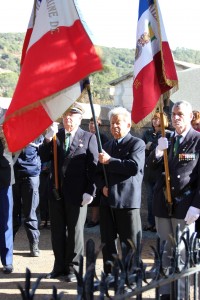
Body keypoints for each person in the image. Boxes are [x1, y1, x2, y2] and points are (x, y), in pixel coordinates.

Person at [39, 102, 98, 282]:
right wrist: (47, 140)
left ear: (80, 118)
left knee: (75, 231)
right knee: (57, 231)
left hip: (78, 194)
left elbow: (93, 167)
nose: (68, 119)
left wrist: (91, 190)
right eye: (65, 116)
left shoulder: (88, 137)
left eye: (72, 116)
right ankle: (59, 266)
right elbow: (42, 157)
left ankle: (74, 268)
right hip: (56, 192)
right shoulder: (57, 136)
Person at [149, 100, 200, 300]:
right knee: (164, 250)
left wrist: (197, 205)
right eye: (173, 114)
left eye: (180, 114)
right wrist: (158, 152)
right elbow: (150, 170)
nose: (176, 117)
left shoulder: (197, 140)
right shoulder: (165, 138)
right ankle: (164, 293)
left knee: (181, 252)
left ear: (189, 117)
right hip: (163, 203)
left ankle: (180, 294)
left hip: (185, 204)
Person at [95, 106, 145, 275]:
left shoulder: (137, 144)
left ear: (128, 125)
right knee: (108, 242)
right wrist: (102, 187)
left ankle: (131, 275)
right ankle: (110, 274)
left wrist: (110, 161)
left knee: (129, 242)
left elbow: (133, 167)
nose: (114, 127)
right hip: (108, 201)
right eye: (112, 124)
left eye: (118, 123)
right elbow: (97, 173)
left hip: (127, 201)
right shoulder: (107, 145)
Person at [12, 135, 43, 257]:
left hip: (31, 174)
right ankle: (8, 245)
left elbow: (43, 152)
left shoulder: (36, 132)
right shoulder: (11, 129)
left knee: (31, 212)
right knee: (12, 212)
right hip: (13, 174)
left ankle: (34, 243)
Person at [142, 112, 172, 232]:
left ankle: (159, 224)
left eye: (157, 119)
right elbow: (143, 148)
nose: (155, 121)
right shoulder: (147, 133)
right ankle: (150, 222)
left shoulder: (168, 133)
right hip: (149, 171)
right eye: (153, 118)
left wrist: (151, 146)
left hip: (162, 171)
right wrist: (155, 146)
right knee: (150, 199)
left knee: (160, 199)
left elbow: (167, 150)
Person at [85, 117, 109, 228]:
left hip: (97, 169)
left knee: (95, 195)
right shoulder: (84, 135)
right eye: (90, 123)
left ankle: (95, 219)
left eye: (94, 123)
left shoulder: (102, 138)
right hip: (85, 169)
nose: (92, 125)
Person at [0, 122, 15, 274]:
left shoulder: (8, 118)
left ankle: (7, 261)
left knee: (5, 221)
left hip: (4, 180)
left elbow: (16, 149)